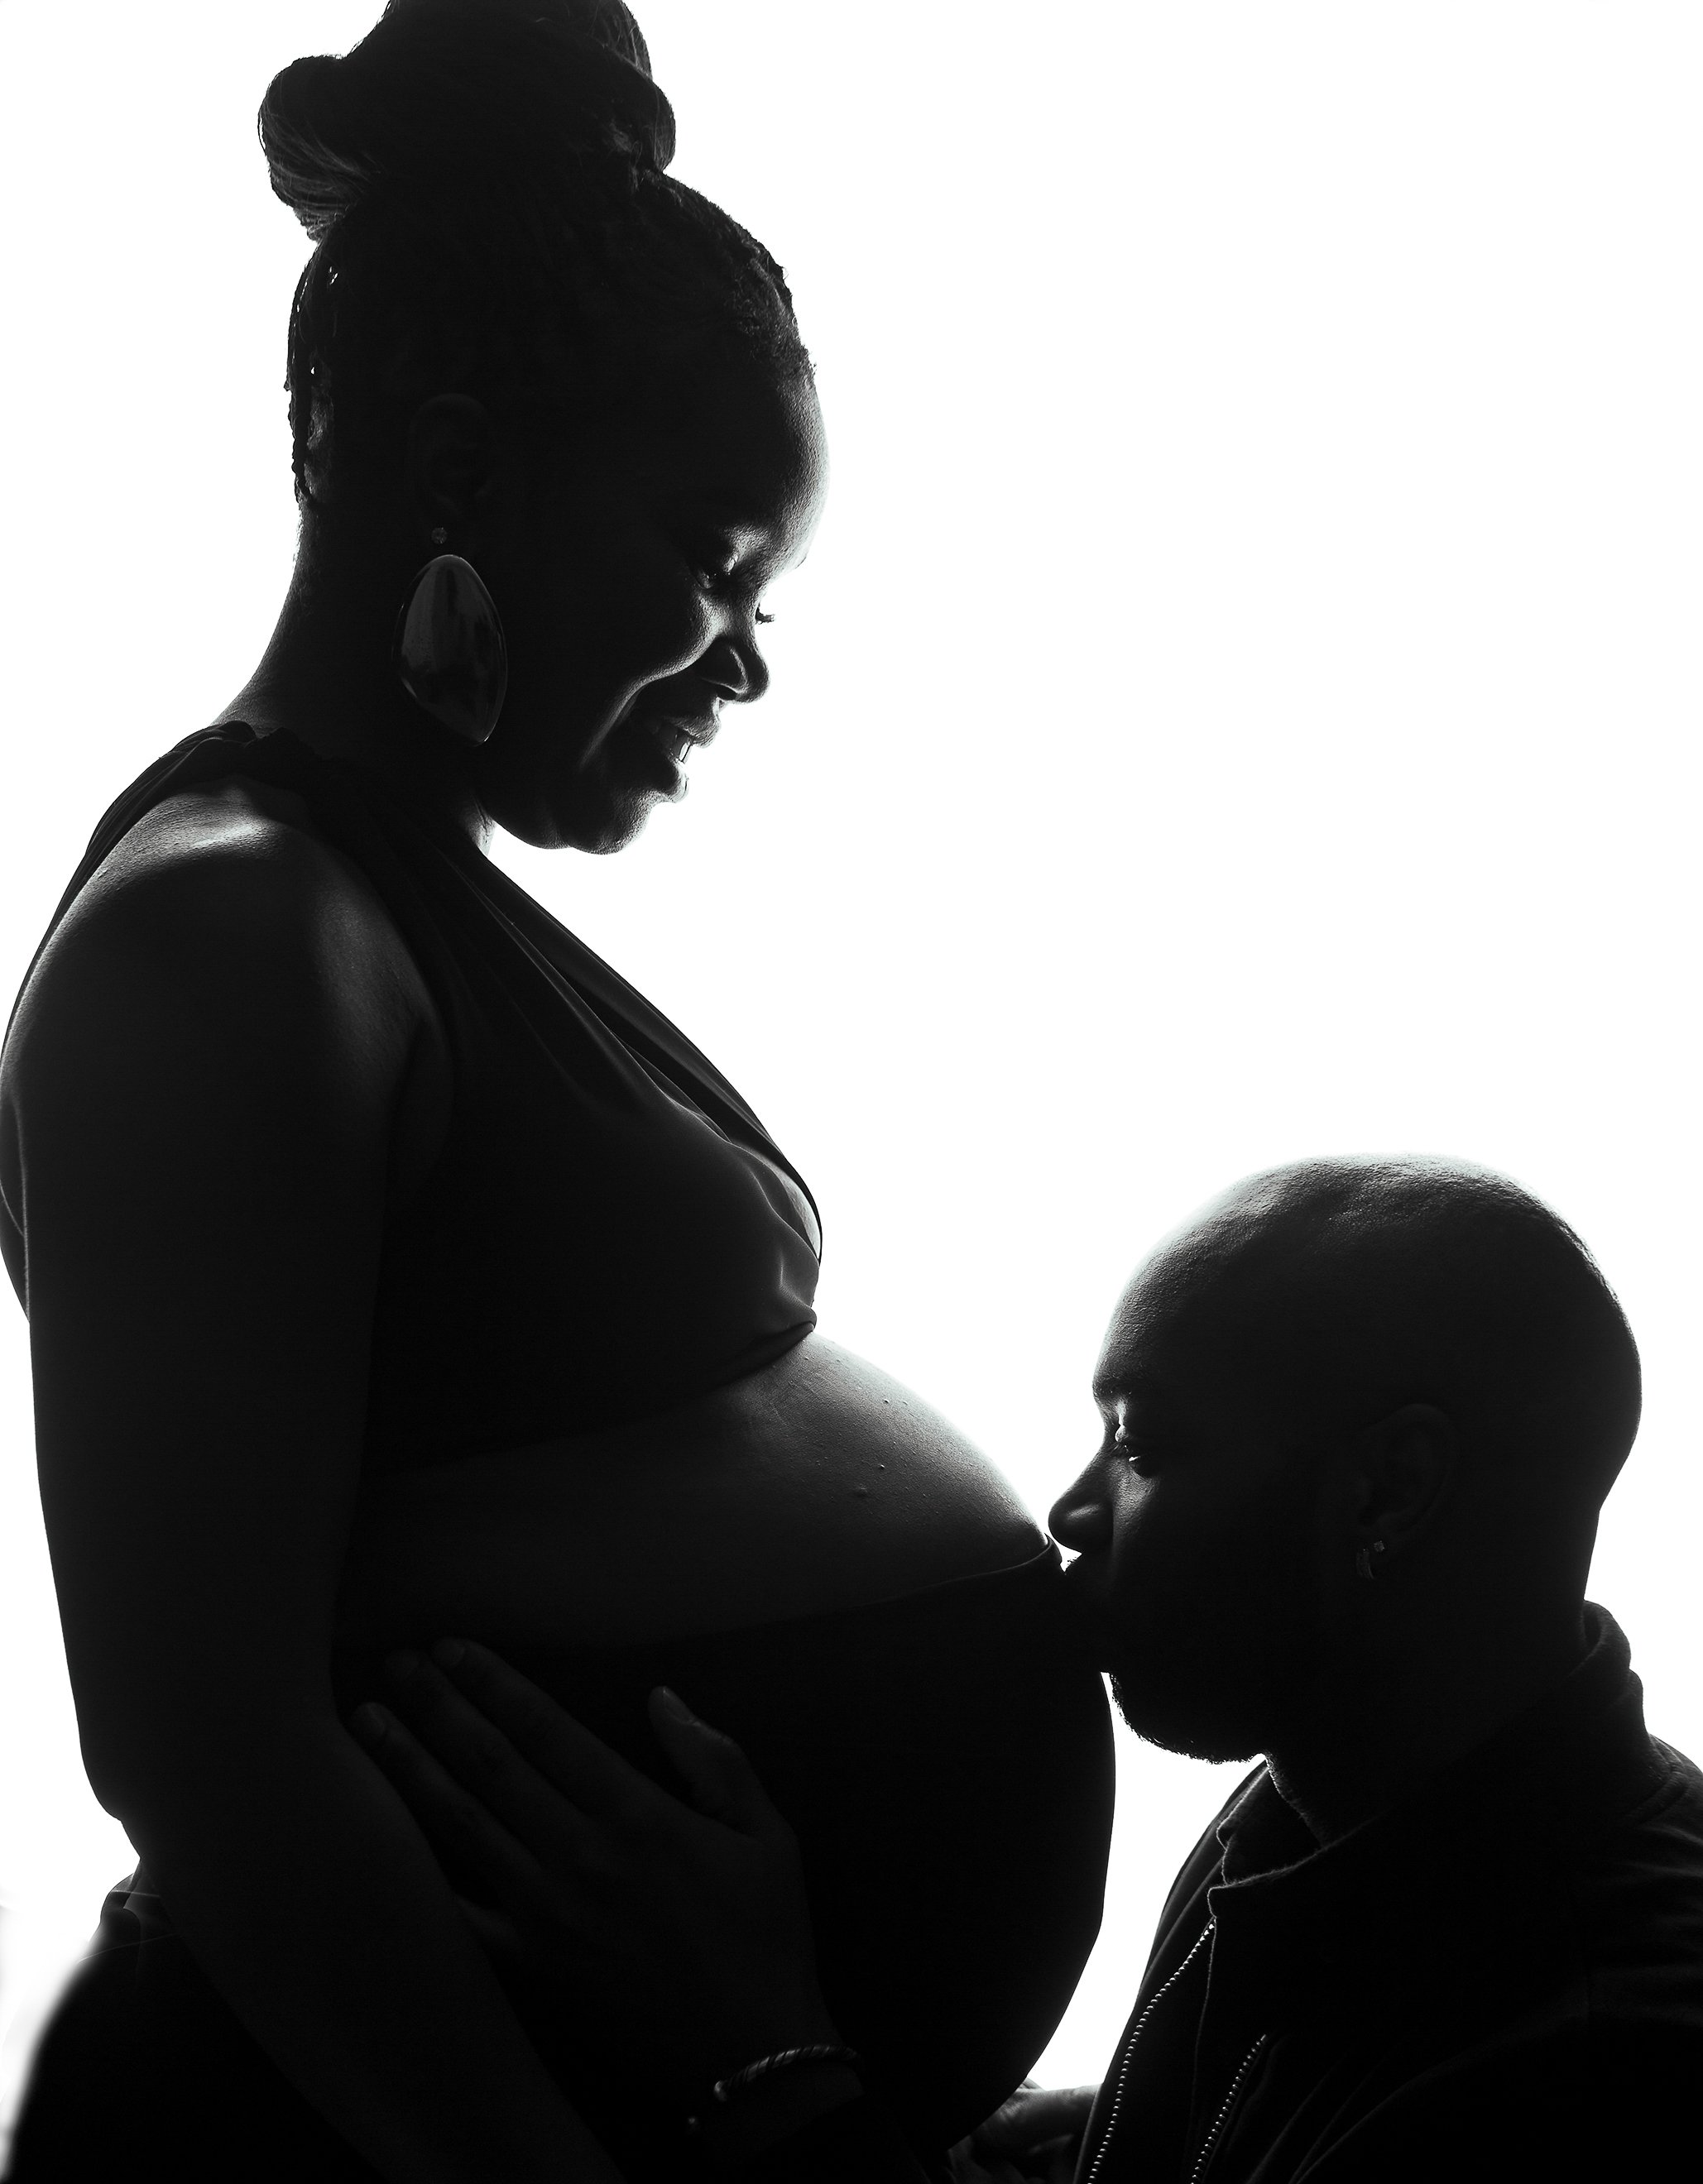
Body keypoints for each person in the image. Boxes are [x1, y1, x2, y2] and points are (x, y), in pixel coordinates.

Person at [0, 4, 1111, 2178]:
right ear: (459, 472)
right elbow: (203, 1750)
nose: (744, 659)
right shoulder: (225, 936)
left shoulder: (397, 902)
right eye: (710, 566)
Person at [356, 1157, 1703, 2181]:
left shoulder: (1606, 2065)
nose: (1071, 1512)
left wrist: (754, 2061)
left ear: (1386, 1493)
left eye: (1143, 1445)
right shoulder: (1342, 1797)